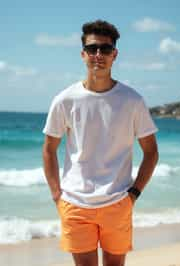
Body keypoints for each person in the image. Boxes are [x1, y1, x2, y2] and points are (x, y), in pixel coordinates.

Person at [42, 19, 159, 266]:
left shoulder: (132, 101)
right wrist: (57, 195)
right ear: (83, 54)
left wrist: (134, 194)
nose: (98, 55)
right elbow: (49, 150)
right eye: (93, 49)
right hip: (75, 203)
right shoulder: (65, 100)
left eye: (105, 49)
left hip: (118, 201)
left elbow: (151, 152)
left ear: (114, 54)